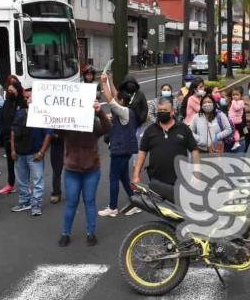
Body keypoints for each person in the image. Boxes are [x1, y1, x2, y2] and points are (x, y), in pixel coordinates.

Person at [58, 101, 112, 247]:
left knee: (89, 201)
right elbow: (53, 127)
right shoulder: (67, 123)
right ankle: (65, 233)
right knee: (71, 202)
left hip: (91, 169)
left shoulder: (93, 123)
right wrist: (37, 109)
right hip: (72, 170)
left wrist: (100, 112)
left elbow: (107, 128)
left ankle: (91, 233)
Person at [99, 73, 140, 218]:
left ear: (122, 101)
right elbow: (116, 96)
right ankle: (136, 203)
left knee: (113, 177)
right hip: (125, 149)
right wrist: (110, 80)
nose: (116, 100)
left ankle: (113, 207)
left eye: (118, 99)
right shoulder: (127, 110)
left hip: (120, 149)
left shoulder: (123, 111)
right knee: (123, 178)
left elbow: (111, 101)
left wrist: (103, 83)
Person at [133, 98, 199, 189]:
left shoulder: (183, 129)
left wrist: (196, 171)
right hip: (156, 181)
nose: (162, 112)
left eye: (165, 110)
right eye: (160, 110)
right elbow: (142, 153)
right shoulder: (150, 130)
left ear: (172, 112)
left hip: (180, 180)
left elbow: (194, 150)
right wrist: (136, 175)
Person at [10, 87, 51, 216]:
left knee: (37, 181)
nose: (28, 100)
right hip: (20, 153)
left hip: (34, 153)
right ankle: (25, 202)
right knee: (22, 180)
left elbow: (48, 134)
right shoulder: (20, 113)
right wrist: (12, 150)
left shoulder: (44, 114)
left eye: (31, 97)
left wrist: (42, 152)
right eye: (27, 98)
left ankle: (36, 205)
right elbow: (13, 131)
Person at [0, 81, 27, 196]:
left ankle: (25, 186)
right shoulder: (7, 102)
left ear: (17, 90)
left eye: (12, 90)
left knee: (22, 164)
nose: (9, 93)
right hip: (7, 137)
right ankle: (10, 184)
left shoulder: (23, 103)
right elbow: (3, 117)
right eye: (8, 91)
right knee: (10, 163)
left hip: (20, 138)